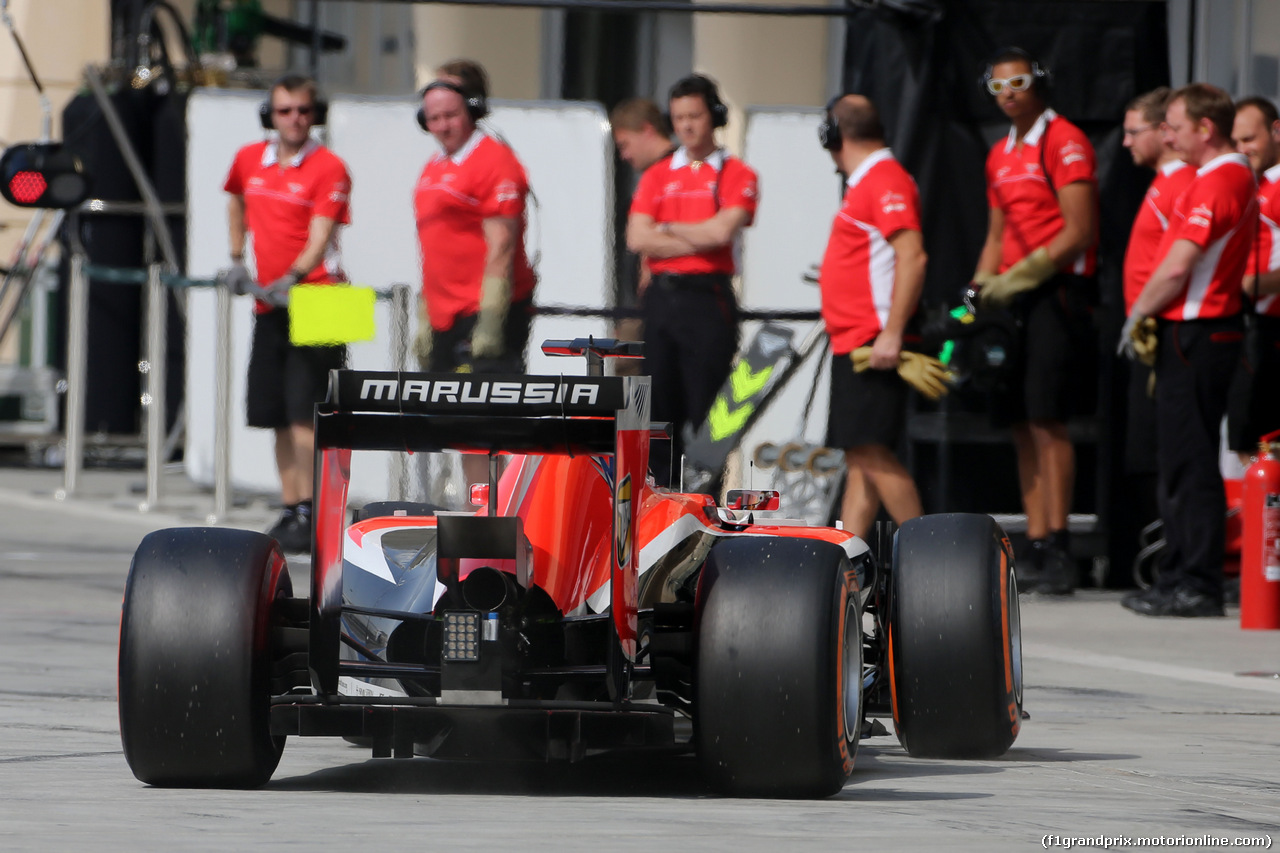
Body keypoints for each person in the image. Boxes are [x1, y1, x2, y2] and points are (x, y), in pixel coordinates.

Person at [1119, 84, 1256, 617]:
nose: (1168, 135)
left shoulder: (1221, 179)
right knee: (1181, 458)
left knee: (1190, 459)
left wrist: (1138, 314)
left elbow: (1178, 263)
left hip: (1199, 326)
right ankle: (1180, 572)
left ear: (1206, 128)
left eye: (1175, 125)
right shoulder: (1216, 178)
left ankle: (1196, 579)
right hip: (1197, 327)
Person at [973, 47, 1098, 595]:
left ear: (1039, 82)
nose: (1008, 93)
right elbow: (996, 234)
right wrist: (976, 294)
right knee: (1020, 420)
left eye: (1018, 82)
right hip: (1011, 297)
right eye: (997, 85)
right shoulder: (999, 152)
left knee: (1048, 419)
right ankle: (1035, 536)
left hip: (1053, 291)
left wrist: (1022, 276)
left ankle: (1059, 543)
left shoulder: (1064, 139)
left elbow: (1079, 230)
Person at [223, 74, 351, 553]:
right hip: (269, 300)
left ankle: (318, 511)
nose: (295, 119)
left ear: (314, 116)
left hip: (324, 297)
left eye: (303, 110)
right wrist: (237, 257)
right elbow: (234, 198)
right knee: (275, 410)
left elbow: (321, 234)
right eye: (285, 111)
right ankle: (293, 504)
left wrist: (294, 275)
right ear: (270, 116)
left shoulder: (330, 167)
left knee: (309, 411)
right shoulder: (249, 159)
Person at [625, 74, 759, 488]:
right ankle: (662, 502)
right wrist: (696, 233)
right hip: (662, 301)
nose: (686, 126)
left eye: (694, 116)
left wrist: (666, 230)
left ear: (714, 117)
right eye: (679, 117)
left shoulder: (736, 173)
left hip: (708, 300)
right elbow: (636, 237)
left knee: (708, 412)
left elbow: (723, 233)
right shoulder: (658, 174)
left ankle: (708, 503)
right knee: (658, 412)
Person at [816, 94, 928, 537]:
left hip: (873, 338)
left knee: (873, 454)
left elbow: (913, 256)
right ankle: (846, 559)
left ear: (833, 134)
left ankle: (931, 556)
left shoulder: (884, 179)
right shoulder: (869, 182)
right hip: (856, 339)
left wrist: (892, 334)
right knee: (861, 458)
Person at [413, 58, 536, 373]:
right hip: (445, 314)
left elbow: (502, 245)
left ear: (472, 108)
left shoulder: (495, 162)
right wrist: (427, 313)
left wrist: (491, 319)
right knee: (436, 418)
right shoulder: (434, 165)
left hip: (480, 310)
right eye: (434, 116)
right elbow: (434, 245)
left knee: (482, 417)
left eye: (451, 113)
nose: (442, 125)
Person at [1119, 87, 1196, 553]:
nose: (1126, 142)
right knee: (1153, 450)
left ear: (1164, 133)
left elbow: (1180, 260)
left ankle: (1180, 558)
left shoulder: (1183, 182)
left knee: (1173, 450)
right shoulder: (1164, 182)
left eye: (1134, 132)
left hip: (1168, 331)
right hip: (1148, 330)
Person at [1227, 96, 1280, 466]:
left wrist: (1245, 284)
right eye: (1235, 143)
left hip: (1270, 328)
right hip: (1248, 330)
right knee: (1248, 439)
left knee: (1264, 441)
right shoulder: (1252, 186)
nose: (1242, 150)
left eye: (1249, 139)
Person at [609, 98, 676, 376]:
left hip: (656, 306)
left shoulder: (672, 174)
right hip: (648, 305)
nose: (624, 156)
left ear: (647, 130)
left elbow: (656, 245)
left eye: (625, 144)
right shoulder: (659, 176)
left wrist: (638, 312)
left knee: (636, 393)